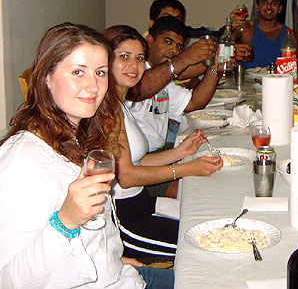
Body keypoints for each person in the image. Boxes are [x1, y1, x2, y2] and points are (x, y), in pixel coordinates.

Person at [0, 22, 172, 288]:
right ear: (47, 78)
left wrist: (110, 258)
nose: (93, 86)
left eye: (100, 73)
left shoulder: (80, 139)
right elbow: (8, 280)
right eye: (78, 72)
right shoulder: (22, 160)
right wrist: (65, 222)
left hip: (119, 275)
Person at [104, 25, 223, 261]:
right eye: (124, 57)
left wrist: (180, 152)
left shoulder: (121, 103)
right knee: (208, 245)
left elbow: (136, 160)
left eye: (139, 58)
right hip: (125, 222)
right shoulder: (107, 110)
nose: (134, 65)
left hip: (143, 203)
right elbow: (126, 176)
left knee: (213, 217)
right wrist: (187, 168)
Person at [127, 16, 219, 153]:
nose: (174, 50)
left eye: (179, 47)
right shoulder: (133, 73)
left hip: (160, 152)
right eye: (168, 42)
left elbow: (193, 103)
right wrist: (185, 58)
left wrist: (216, 67)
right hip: (140, 157)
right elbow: (138, 90)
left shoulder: (162, 76)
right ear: (150, 41)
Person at [230, 0, 298, 68]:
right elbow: (224, 40)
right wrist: (230, 26)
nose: (269, 7)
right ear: (257, 7)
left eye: (274, 3)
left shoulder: (289, 34)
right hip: (245, 76)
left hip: (277, 76)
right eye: (264, 2)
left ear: (280, 9)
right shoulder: (245, 28)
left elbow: (296, 67)